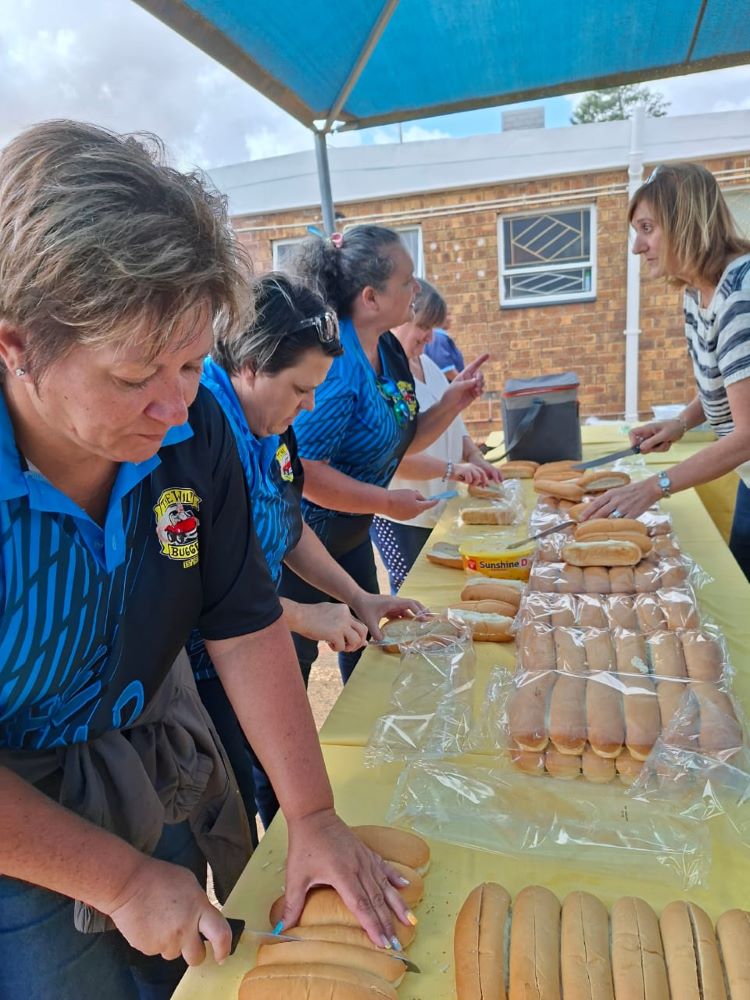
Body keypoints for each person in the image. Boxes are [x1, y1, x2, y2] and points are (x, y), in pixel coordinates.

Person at [0, 121, 414, 1000]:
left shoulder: (196, 434)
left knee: (194, 957)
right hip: (17, 807)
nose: (175, 406)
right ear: (14, 345)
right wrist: (115, 879)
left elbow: (242, 615)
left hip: (144, 745)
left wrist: (311, 814)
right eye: (132, 375)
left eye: (192, 363)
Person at [189, 272, 423, 831]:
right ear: (247, 365)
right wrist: (298, 614)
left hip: (256, 640)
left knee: (276, 778)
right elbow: (188, 585)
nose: (311, 404)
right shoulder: (197, 433)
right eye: (299, 389)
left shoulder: (271, 425)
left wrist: (358, 595)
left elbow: (289, 527)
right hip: (201, 672)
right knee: (227, 809)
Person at [283, 225, 488, 682]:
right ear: (371, 297)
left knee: (370, 651)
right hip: (301, 547)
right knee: (292, 667)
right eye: (407, 280)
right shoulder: (338, 366)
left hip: (351, 538)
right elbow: (306, 473)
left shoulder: (389, 351)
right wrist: (385, 502)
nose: (417, 288)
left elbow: (403, 439)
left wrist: (454, 399)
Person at [581, 162, 750, 581]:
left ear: (685, 221)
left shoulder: (740, 292)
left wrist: (654, 485)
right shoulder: (697, 293)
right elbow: (728, 382)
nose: (638, 247)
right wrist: (680, 422)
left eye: (647, 228)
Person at [371, 279, 501, 592]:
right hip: (401, 515)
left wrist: (475, 457)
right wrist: (454, 470)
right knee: (414, 592)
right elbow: (395, 457)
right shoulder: (381, 375)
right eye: (424, 326)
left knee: (441, 588)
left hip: (437, 506)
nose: (430, 337)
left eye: (434, 327)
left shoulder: (426, 363)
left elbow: (455, 425)